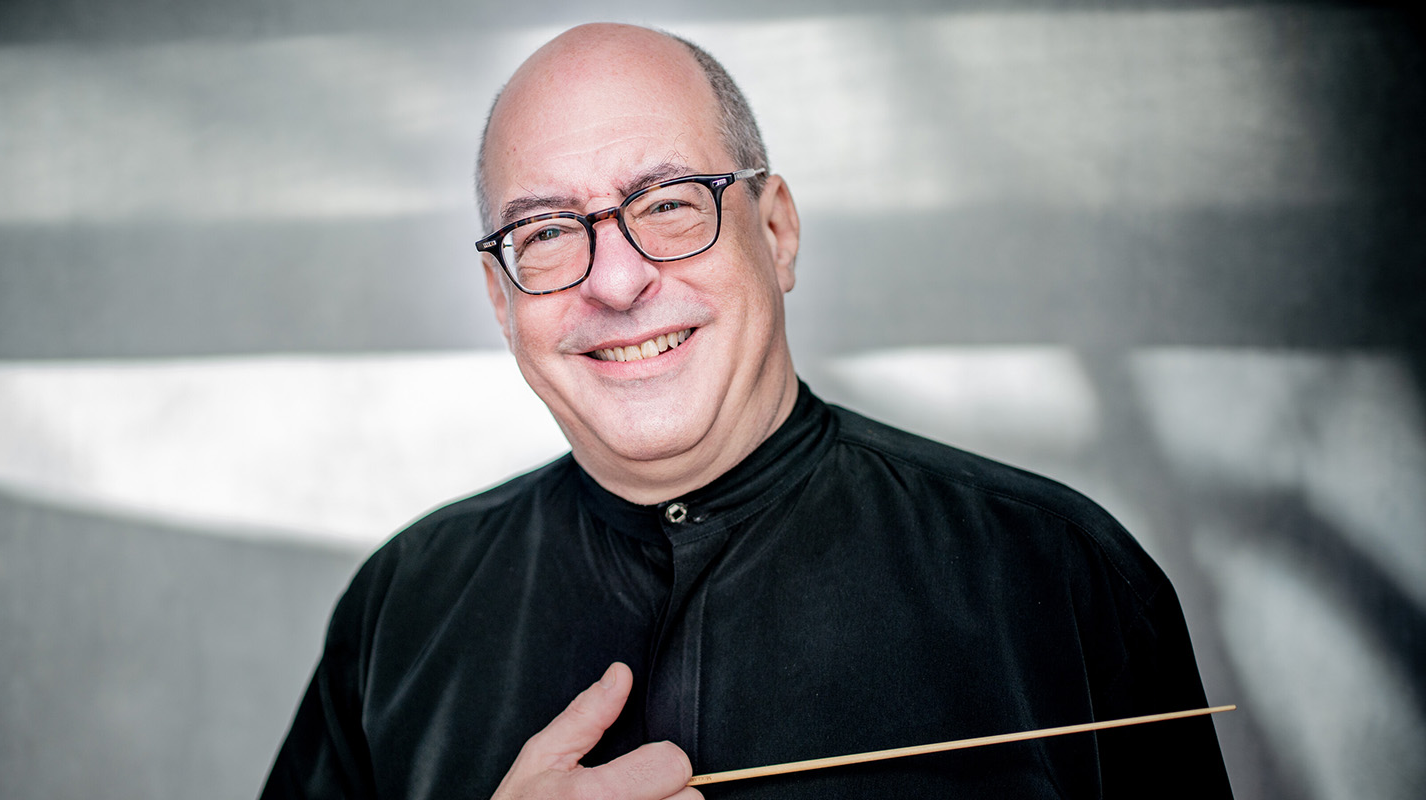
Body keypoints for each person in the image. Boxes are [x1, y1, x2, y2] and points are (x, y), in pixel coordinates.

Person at [261, 23, 1232, 799]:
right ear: (501, 298)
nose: (617, 278)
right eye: (548, 231)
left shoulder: (1055, 575)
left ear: (775, 232)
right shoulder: (401, 606)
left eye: (672, 203)